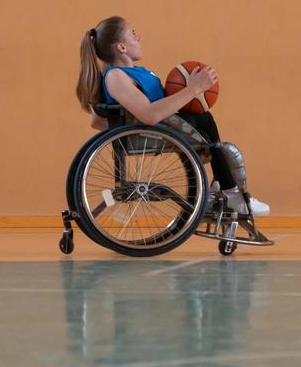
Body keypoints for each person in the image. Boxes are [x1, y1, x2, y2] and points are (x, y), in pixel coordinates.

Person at [76, 16, 269, 217]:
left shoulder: (133, 72)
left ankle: (222, 186)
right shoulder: (116, 76)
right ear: (122, 47)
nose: (138, 37)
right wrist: (193, 89)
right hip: (154, 130)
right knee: (206, 124)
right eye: (132, 34)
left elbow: (98, 120)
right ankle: (232, 193)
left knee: (207, 127)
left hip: (164, 126)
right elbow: (149, 116)